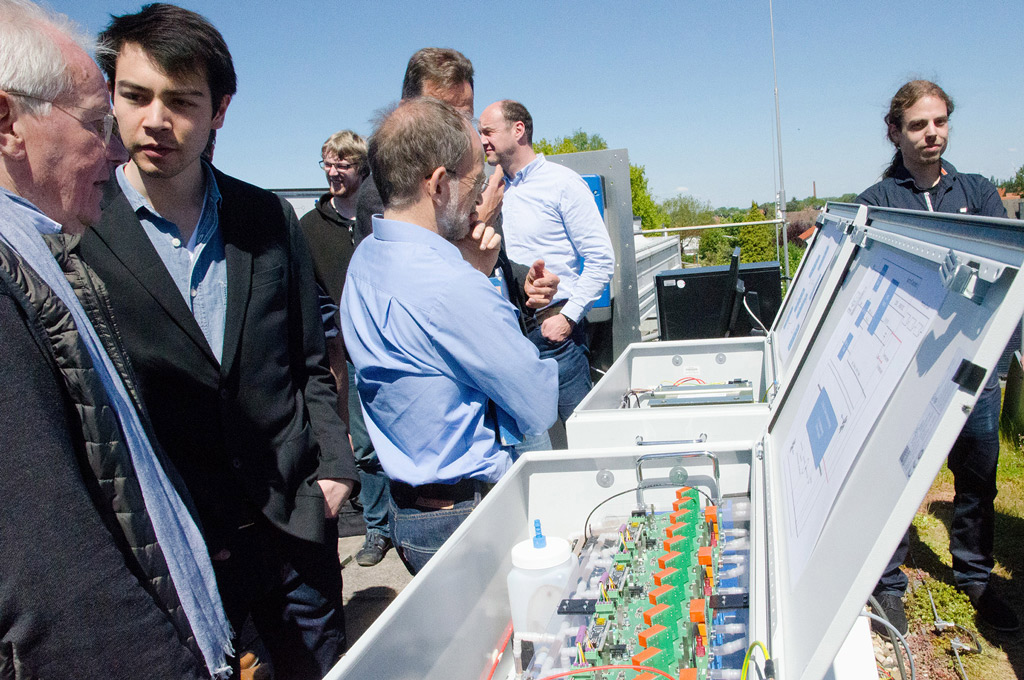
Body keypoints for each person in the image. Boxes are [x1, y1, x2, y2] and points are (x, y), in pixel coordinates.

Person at [78, 4, 358, 676]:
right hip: (180, 555)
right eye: (136, 95)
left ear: (219, 112)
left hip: (295, 533)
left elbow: (307, 361)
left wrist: (336, 470)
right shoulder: (80, 232)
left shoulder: (265, 217)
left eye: (181, 101)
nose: (155, 119)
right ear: (111, 95)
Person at [0, 1, 232, 677]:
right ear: (8, 122)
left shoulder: (45, 257)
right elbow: (55, 582)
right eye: (100, 124)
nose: (116, 146)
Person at [341, 97, 558, 574]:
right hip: (466, 517)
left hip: (411, 512)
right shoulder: (448, 286)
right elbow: (538, 400)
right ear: (439, 184)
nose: (482, 198)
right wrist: (482, 282)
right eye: (475, 182)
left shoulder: (365, 258)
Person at [856, 79, 1018, 635]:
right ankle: (889, 584)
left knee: (978, 478)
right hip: (910, 374)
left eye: (941, 122)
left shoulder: (978, 191)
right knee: (896, 478)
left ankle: (975, 576)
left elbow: (1009, 274)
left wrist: (1006, 357)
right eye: (920, 124)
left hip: (977, 368)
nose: (933, 134)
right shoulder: (877, 204)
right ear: (895, 131)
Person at [478, 99, 615, 422]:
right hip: (506, 343)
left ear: (519, 130)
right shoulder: (490, 193)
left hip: (554, 341)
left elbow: (601, 259)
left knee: (580, 442)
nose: (482, 140)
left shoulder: (562, 184)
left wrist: (567, 318)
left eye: (488, 131)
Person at [300, 130, 394, 567]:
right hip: (350, 355)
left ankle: (409, 516)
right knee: (365, 448)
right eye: (328, 164)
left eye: (343, 164)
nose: (334, 172)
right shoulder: (308, 229)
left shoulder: (386, 216)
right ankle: (377, 530)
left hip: (395, 347)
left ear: (362, 168)